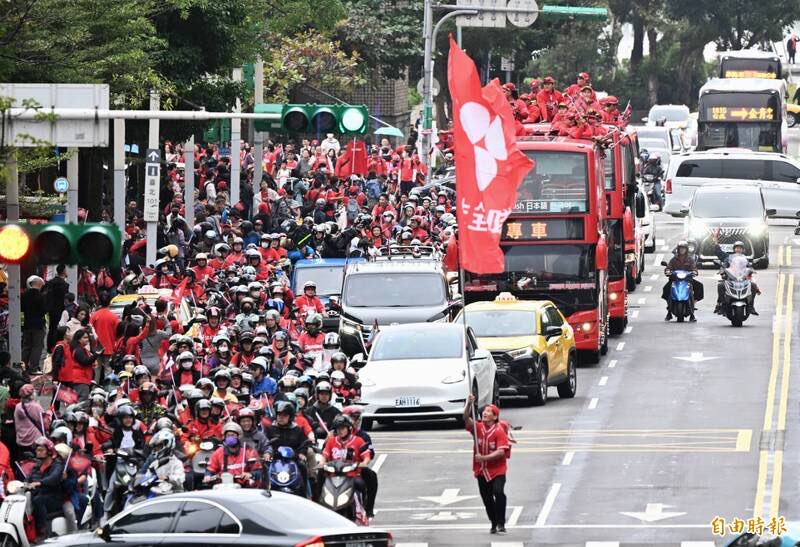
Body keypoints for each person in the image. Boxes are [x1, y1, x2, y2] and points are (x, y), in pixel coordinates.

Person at [463, 394, 510, 535]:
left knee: (498, 492)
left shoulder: (499, 431)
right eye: (484, 411)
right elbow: (465, 418)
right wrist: (468, 404)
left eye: (489, 411)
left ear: (495, 417)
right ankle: (493, 522)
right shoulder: (477, 428)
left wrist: (483, 458)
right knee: (487, 499)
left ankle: (501, 522)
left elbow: (501, 452)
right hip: (481, 470)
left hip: (497, 469)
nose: (485, 413)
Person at [28, 436, 66, 542]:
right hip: (39, 494)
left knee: (38, 500)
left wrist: (40, 483)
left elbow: (54, 477)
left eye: (41, 450)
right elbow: (28, 479)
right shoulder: (36, 466)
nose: (38, 452)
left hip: (55, 497)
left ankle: (44, 531)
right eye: (37, 450)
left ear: (49, 451)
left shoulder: (57, 464)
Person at [714, 239, 760, 316]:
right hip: (730, 279)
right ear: (734, 249)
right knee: (720, 285)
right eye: (737, 248)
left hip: (742, 279)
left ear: (743, 250)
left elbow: (749, 266)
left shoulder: (745, 259)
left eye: (740, 248)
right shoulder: (728, 257)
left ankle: (751, 306)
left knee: (753, 285)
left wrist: (751, 270)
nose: (738, 249)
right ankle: (723, 306)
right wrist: (722, 271)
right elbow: (724, 266)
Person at [661, 241, 700, 322]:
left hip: (687, 279)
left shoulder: (690, 259)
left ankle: (692, 311)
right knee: (666, 289)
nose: (682, 250)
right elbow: (669, 267)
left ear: (686, 250)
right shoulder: (674, 259)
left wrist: (694, 272)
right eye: (680, 248)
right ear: (678, 249)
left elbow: (694, 268)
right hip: (675, 279)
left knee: (699, 287)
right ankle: (669, 310)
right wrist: (667, 271)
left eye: (684, 248)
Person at [21, 275, 47, 372]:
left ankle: (23, 366)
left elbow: (21, 309)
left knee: (26, 346)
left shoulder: (23, 295)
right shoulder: (41, 296)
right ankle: (33, 368)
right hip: (38, 325)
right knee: (37, 346)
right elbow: (44, 310)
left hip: (26, 324)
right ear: (39, 284)